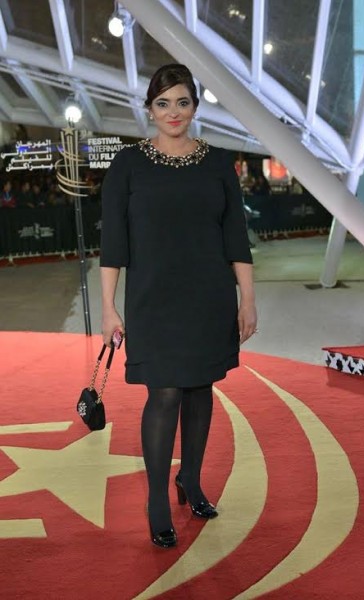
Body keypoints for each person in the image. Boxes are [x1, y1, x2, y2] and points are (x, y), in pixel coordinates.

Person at [100, 64, 257, 549]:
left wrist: (248, 298)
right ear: (149, 109)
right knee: (165, 393)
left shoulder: (219, 163)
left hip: (208, 296)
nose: (173, 112)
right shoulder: (128, 164)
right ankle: (156, 499)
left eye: (182, 102)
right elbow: (114, 244)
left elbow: (235, 238)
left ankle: (190, 477)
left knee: (199, 388)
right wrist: (108, 307)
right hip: (152, 299)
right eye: (163, 103)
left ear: (195, 107)